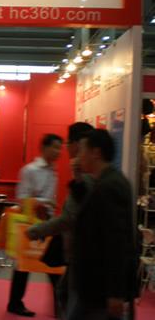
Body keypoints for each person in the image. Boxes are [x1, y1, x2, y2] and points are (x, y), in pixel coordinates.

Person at [26, 122, 94, 318]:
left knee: (69, 298)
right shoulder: (34, 170)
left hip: (82, 252)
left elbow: (70, 217)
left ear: (78, 144)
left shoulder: (88, 176)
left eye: (65, 144)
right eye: (56, 147)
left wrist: (39, 230)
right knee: (64, 293)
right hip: (76, 250)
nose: (62, 150)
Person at [68, 129, 136, 320]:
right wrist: (77, 178)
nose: (79, 156)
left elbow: (117, 242)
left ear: (96, 153)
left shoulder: (110, 186)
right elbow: (91, 210)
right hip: (96, 285)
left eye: (82, 150)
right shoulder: (106, 181)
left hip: (101, 287)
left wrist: (115, 292)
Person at [7, 133, 63, 317]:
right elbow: (22, 197)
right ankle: (15, 303)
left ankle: (60, 306)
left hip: (49, 222)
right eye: (55, 147)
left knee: (53, 265)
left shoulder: (53, 171)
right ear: (44, 148)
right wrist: (45, 202)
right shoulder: (29, 170)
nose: (58, 151)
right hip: (30, 222)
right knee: (24, 264)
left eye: (60, 148)